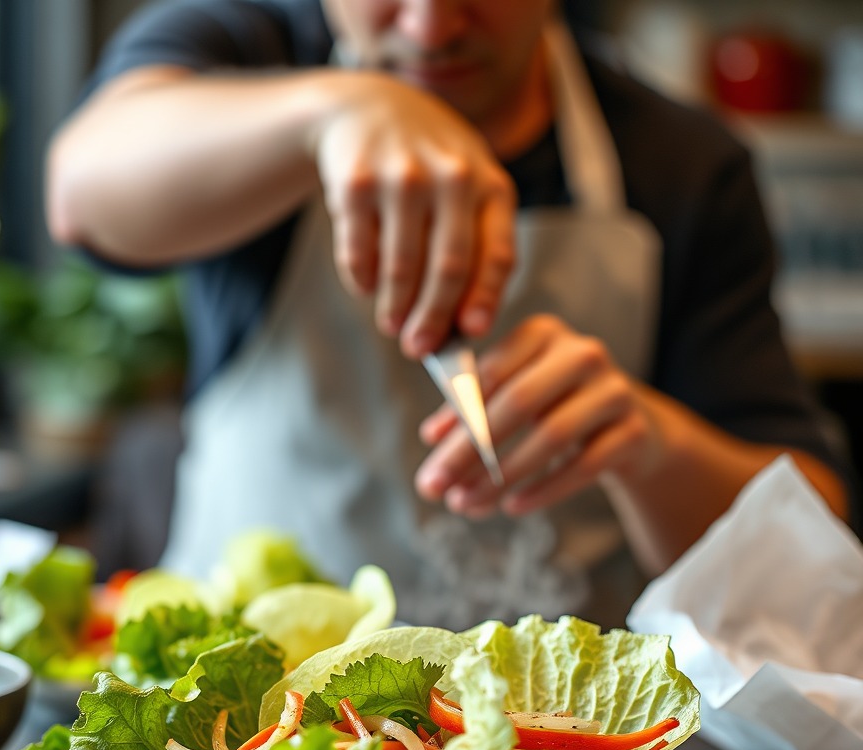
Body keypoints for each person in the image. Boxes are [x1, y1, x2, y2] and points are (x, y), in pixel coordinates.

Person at [45, 0, 857, 629]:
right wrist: (333, 112)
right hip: (243, 735)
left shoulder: (682, 166)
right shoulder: (247, 52)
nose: (430, 26)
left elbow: (810, 540)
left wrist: (650, 445)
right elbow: (81, 189)